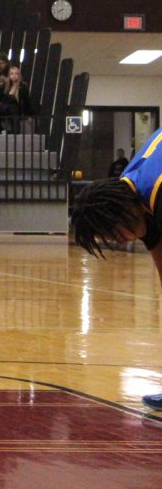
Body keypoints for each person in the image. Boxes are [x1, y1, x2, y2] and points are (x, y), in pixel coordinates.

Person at [70, 126, 162, 410]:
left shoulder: (157, 193)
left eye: (113, 233)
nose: (118, 241)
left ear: (119, 212)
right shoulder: (133, 196)